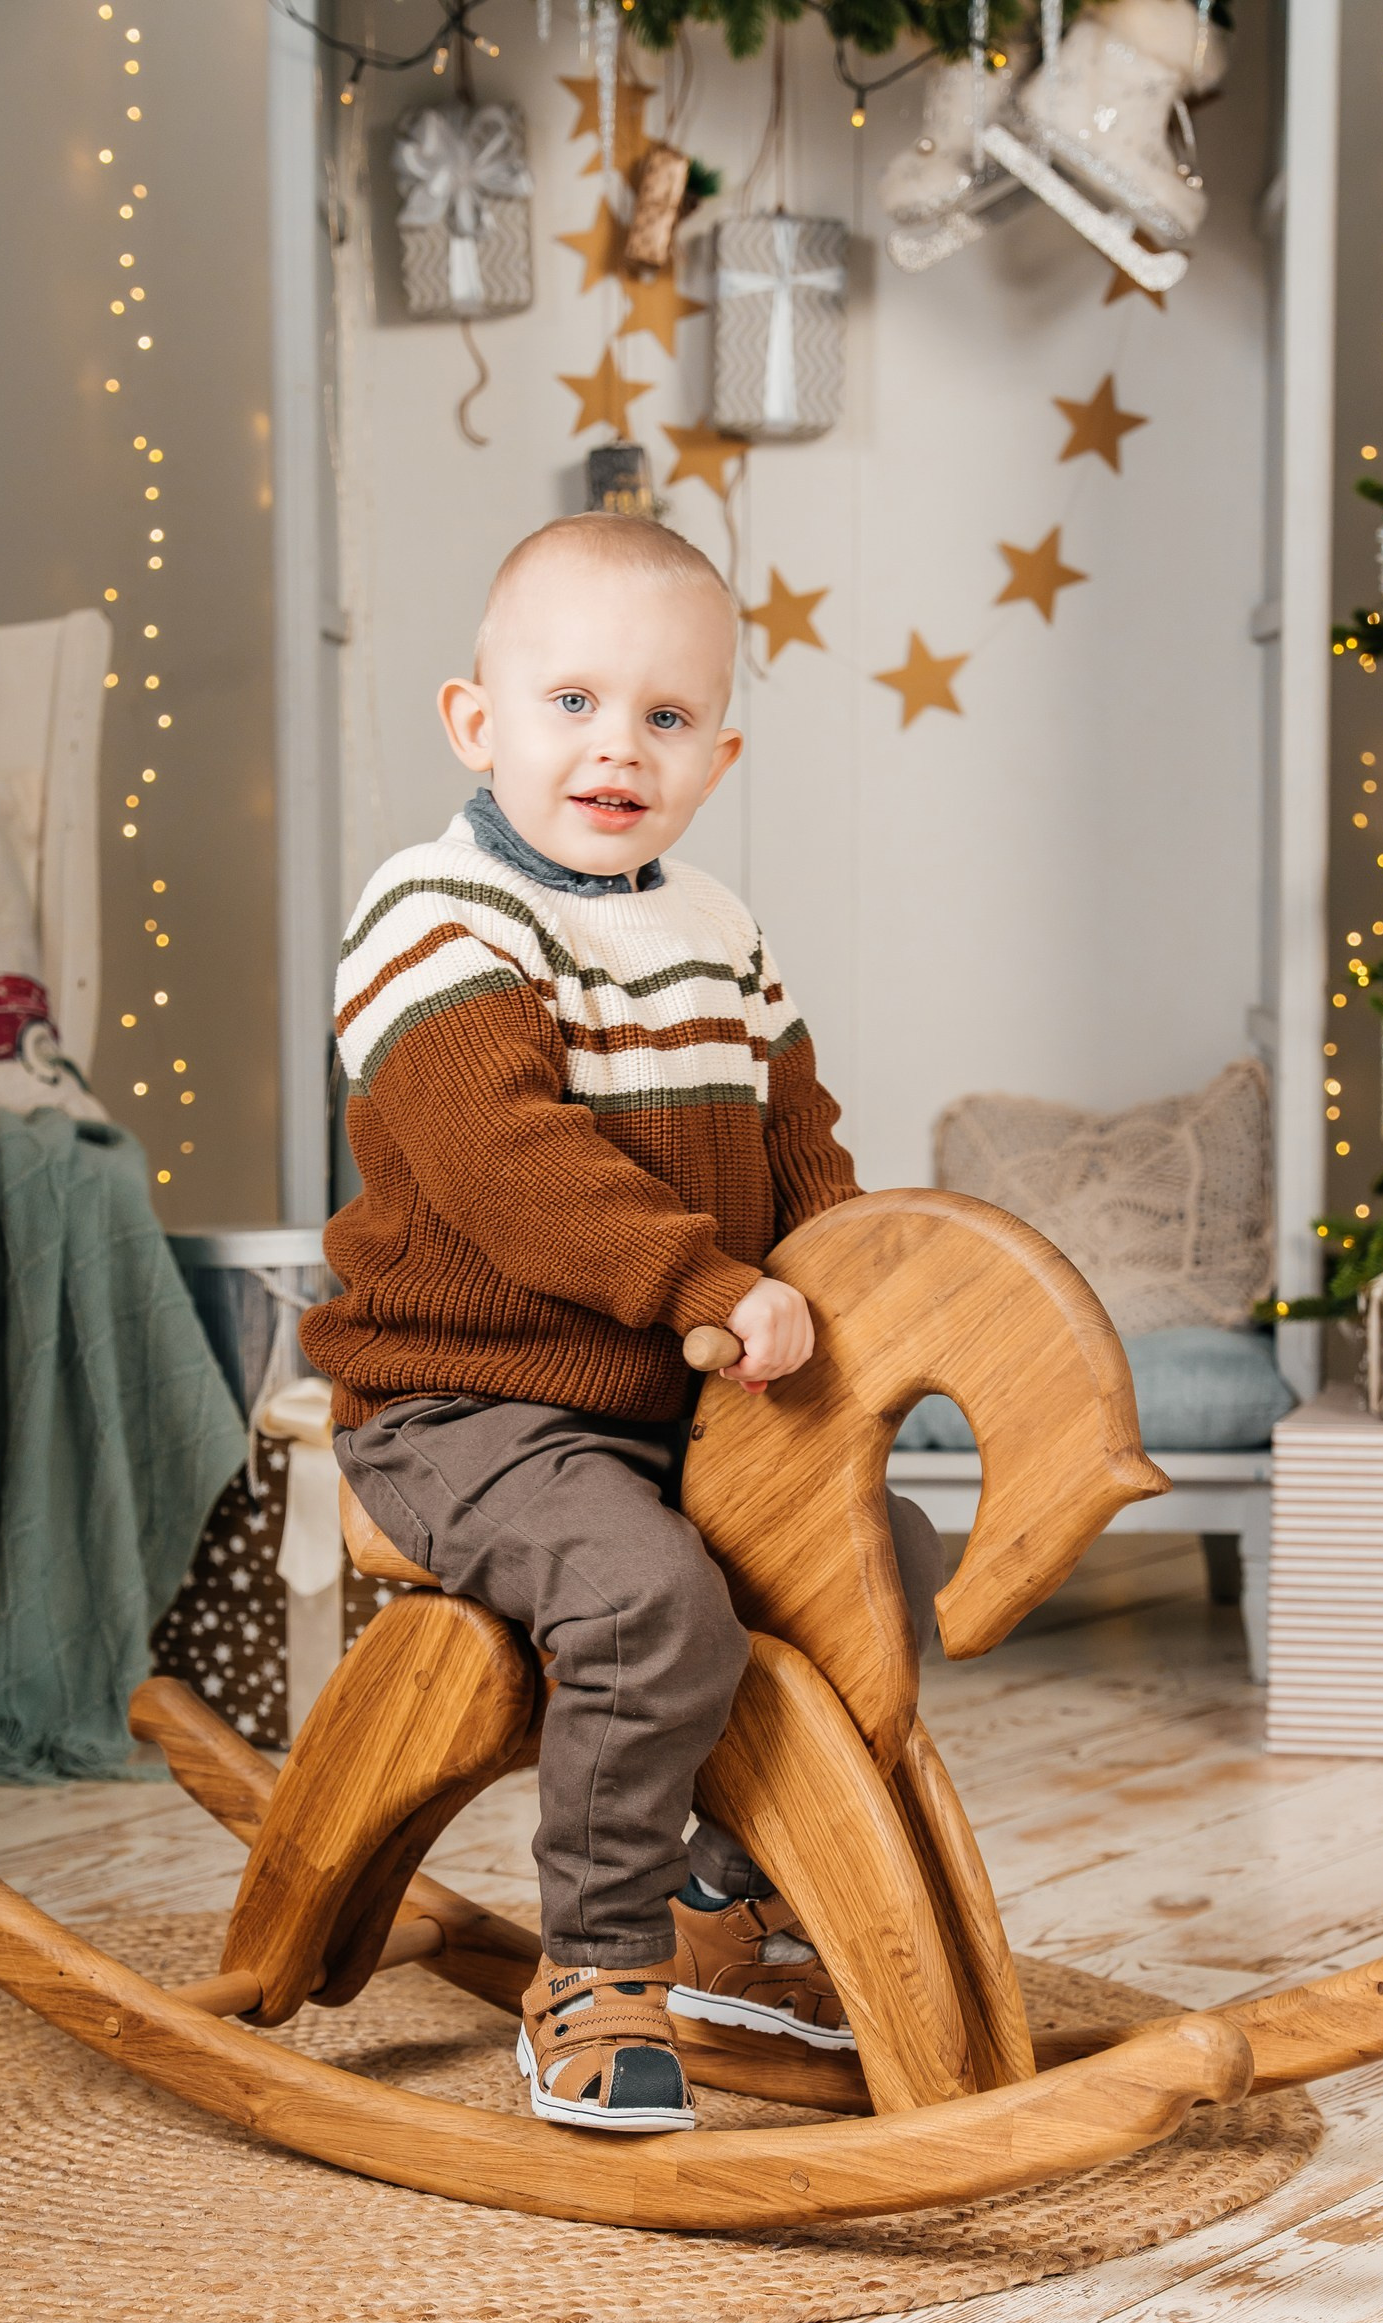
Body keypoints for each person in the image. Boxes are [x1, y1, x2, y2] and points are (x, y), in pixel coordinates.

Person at [301, 512, 943, 2135]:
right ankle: (596, 1966)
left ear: (717, 752)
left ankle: (736, 1900)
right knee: (653, 1602)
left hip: (678, 1406)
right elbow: (520, 1174)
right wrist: (709, 1290)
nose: (616, 749)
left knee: (894, 1554)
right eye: (571, 703)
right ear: (478, 721)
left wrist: (847, 1305)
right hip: (469, 1412)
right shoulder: (432, 915)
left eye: (663, 718)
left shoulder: (716, 932)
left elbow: (803, 1147)